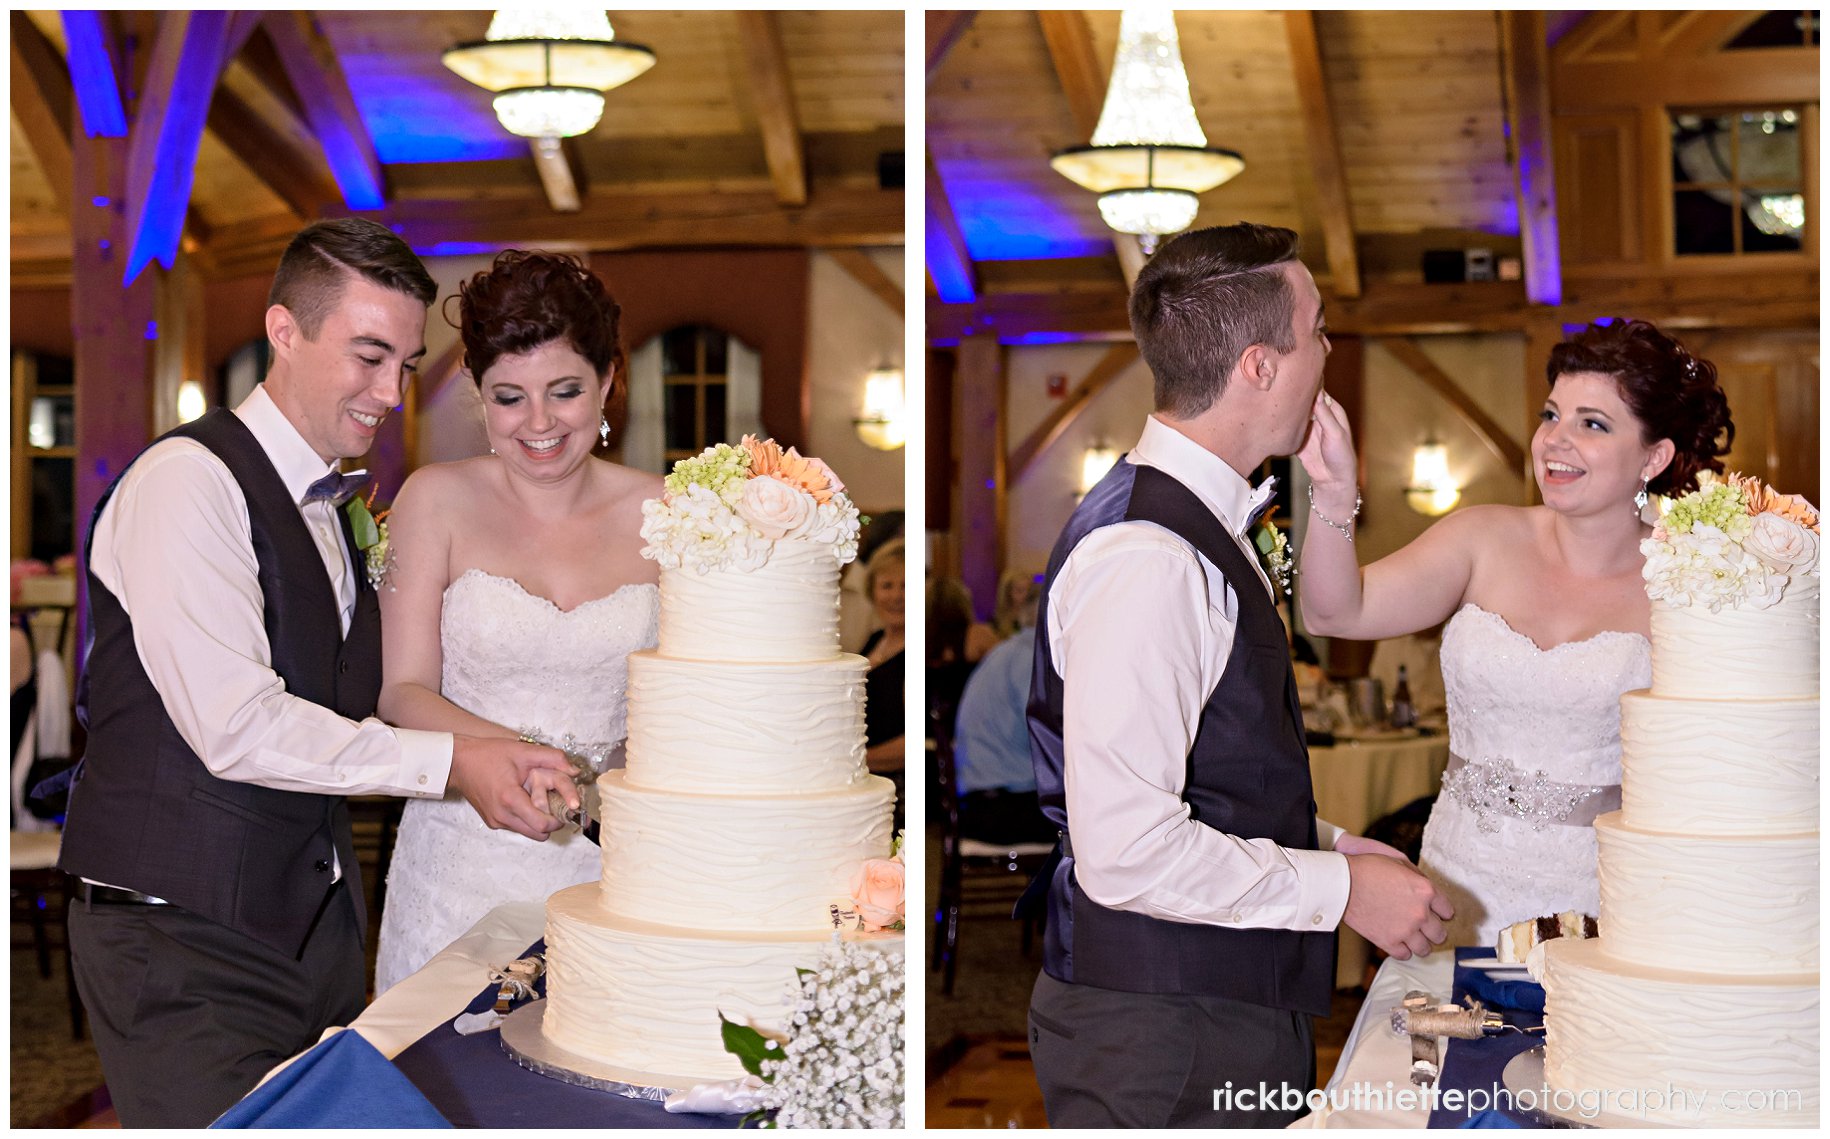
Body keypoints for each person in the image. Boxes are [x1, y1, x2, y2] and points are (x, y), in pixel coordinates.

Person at [59, 219, 578, 1128]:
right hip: (181, 937)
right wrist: (454, 764)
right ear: (284, 330)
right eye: (368, 355)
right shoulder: (187, 482)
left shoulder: (339, 511)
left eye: (407, 365)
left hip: (313, 934)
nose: (389, 393)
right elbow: (238, 726)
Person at [1025, 222, 1450, 1128]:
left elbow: (1208, 772)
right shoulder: (1149, 556)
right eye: (1320, 329)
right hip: (1163, 1034)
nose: (1330, 352)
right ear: (1260, 365)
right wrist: (1341, 892)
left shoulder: (1202, 521)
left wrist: (1328, 841)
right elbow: (1128, 850)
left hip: (1210, 1009)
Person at [1299, 317, 1733, 947]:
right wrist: (1334, 496)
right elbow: (1334, 613)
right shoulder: (1480, 539)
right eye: (1551, 414)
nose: (1555, 441)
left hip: (1604, 900)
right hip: (1457, 885)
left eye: (1593, 424)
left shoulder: (1688, 580)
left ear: (1654, 456)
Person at [374, 251, 662, 993]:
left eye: (565, 391)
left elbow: (684, 702)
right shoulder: (432, 500)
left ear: (607, 380)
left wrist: (616, 782)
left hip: (615, 863)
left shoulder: (668, 515)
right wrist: (508, 759)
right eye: (509, 397)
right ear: (476, 392)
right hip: (459, 858)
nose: (539, 423)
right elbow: (402, 690)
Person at [952, 579, 1055, 844]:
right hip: (1000, 806)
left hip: (986, 798)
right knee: (1110, 821)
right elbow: (1050, 731)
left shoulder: (1014, 650)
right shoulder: (1030, 657)